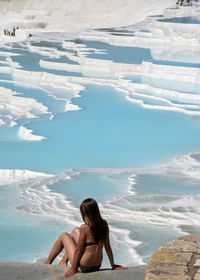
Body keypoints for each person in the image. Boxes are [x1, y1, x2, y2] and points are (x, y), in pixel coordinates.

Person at [44, 198, 128, 277]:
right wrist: (113, 265)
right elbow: (108, 247)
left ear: (85, 213)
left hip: (84, 267)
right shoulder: (104, 224)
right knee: (75, 231)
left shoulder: (85, 228)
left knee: (64, 235)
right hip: (97, 266)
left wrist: (73, 269)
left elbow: (78, 250)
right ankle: (64, 261)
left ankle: (48, 262)